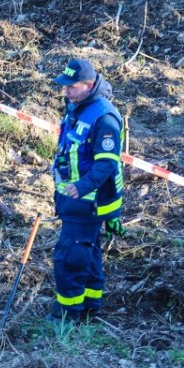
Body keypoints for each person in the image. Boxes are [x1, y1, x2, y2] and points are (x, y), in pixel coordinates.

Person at [48, 58, 125, 322]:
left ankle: (67, 314)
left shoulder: (104, 118)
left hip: (87, 202)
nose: (66, 91)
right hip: (73, 201)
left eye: (72, 86)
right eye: (65, 86)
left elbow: (106, 164)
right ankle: (91, 306)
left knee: (69, 257)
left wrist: (81, 187)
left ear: (89, 85)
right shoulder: (77, 107)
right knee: (88, 253)